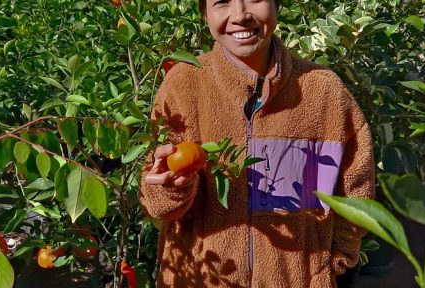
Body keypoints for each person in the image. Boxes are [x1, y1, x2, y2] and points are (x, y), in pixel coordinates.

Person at [140, 0, 375, 287]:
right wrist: (169, 189)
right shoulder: (184, 85)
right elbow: (158, 202)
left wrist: (331, 264)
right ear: (204, 13)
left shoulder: (323, 92)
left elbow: (355, 190)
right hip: (199, 279)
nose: (240, 15)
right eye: (222, 3)